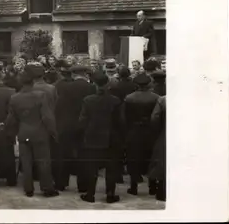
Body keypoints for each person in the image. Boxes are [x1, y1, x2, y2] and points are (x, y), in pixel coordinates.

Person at [5, 68, 59, 198]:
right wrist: (53, 132)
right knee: (43, 161)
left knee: (26, 161)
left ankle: (28, 188)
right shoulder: (40, 95)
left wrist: (8, 130)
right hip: (40, 132)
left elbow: (11, 119)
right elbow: (47, 117)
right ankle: (47, 188)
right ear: (33, 82)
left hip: (23, 132)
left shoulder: (14, 98)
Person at [78, 72, 122, 204]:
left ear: (94, 84)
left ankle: (90, 194)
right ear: (108, 84)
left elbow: (82, 120)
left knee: (92, 167)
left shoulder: (88, 100)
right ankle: (110, 194)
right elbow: (120, 122)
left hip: (93, 137)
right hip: (111, 138)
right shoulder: (115, 100)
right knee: (111, 168)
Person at [54, 65, 96, 192]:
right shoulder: (91, 88)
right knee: (83, 155)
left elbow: (58, 107)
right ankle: (82, 185)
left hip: (66, 125)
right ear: (85, 74)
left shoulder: (65, 88)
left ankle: (61, 183)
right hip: (84, 125)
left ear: (73, 74)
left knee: (64, 154)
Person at [124, 73, 160, 196]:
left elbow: (125, 117)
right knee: (151, 158)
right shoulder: (156, 98)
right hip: (151, 131)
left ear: (136, 84)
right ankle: (152, 186)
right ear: (148, 84)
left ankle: (134, 187)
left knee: (134, 158)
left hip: (134, 131)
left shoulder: (129, 98)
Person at [149, 96, 166, 201]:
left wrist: (158, 132)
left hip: (166, 131)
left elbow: (155, 118)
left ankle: (162, 191)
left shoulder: (163, 100)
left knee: (163, 160)